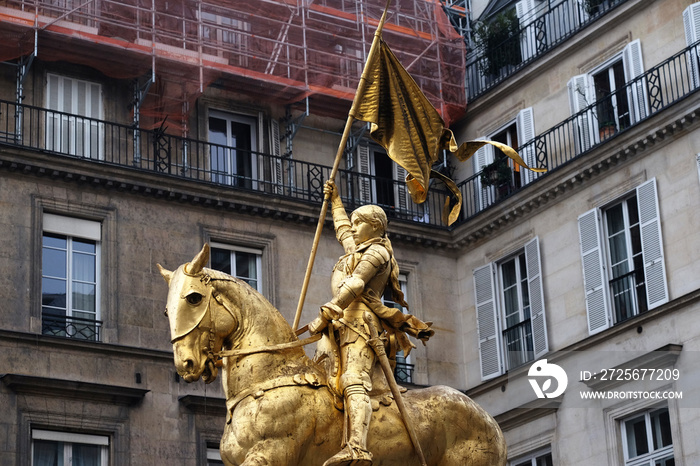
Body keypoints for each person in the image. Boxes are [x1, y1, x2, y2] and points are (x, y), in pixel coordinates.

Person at [309, 180, 433, 466]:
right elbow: (341, 228)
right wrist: (336, 201)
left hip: (360, 326)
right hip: (339, 325)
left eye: (359, 223)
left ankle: (357, 447)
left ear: (375, 227)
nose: (352, 228)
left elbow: (355, 284)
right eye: (353, 223)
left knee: (353, 380)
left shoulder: (378, 253)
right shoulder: (357, 247)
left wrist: (326, 312)